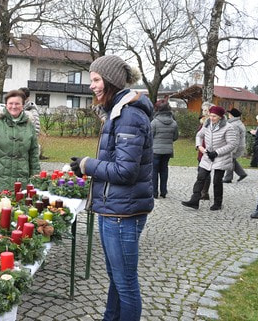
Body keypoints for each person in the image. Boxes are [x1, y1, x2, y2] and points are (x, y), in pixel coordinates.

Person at [69, 55, 153, 321]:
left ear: (112, 81)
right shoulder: (117, 111)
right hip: (114, 208)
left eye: (96, 80)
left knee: (125, 283)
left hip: (122, 214)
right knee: (117, 279)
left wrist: (87, 165)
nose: (91, 85)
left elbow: (125, 171)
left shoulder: (129, 115)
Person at [0, 90, 40, 198]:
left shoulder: (29, 125)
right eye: (11, 103)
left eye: (17, 103)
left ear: (22, 105)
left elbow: (33, 152)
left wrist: (36, 175)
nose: (14, 106)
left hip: (21, 178)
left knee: (20, 211)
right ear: (6, 105)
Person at [181, 105, 237, 211]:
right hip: (207, 156)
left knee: (217, 181)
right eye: (210, 115)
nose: (211, 118)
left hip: (221, 157)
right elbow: (199, 135)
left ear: (220, 117)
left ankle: (217, 203)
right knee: (200, 177)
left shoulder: (228, 127)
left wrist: (217, 152)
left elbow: (232, 144)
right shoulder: (206, 124)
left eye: (214, 116)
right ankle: (194, 200)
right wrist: (199, 146)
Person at [151, 98, 178, 198]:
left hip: (155, 151)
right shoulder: (174, 123)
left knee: (154, 171)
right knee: (164, 170)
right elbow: (175, 137)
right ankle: (163, 191)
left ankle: (154, 192)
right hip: (167, 151)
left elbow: (150, 136)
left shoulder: (154, 122)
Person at [223, 108, 247, 183]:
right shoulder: (238, 123)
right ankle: (242, 173)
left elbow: (235, 138)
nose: (228, 115)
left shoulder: (234, 125)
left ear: (232, 115)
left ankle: (228, 178)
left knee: (230, 160)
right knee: (232, 160)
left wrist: (232, 149)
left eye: (229, 114)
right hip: (239, 145)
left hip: (235, 146)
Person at [198, 102, 214, 200]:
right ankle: (202, 191)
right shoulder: (204, 122)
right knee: (201, 171)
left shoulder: (210, 122)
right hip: (201, 149)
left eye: (205, 110)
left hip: (207, 149)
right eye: (203, 110)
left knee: (205, 171)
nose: (204, 112)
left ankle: (204, 192)